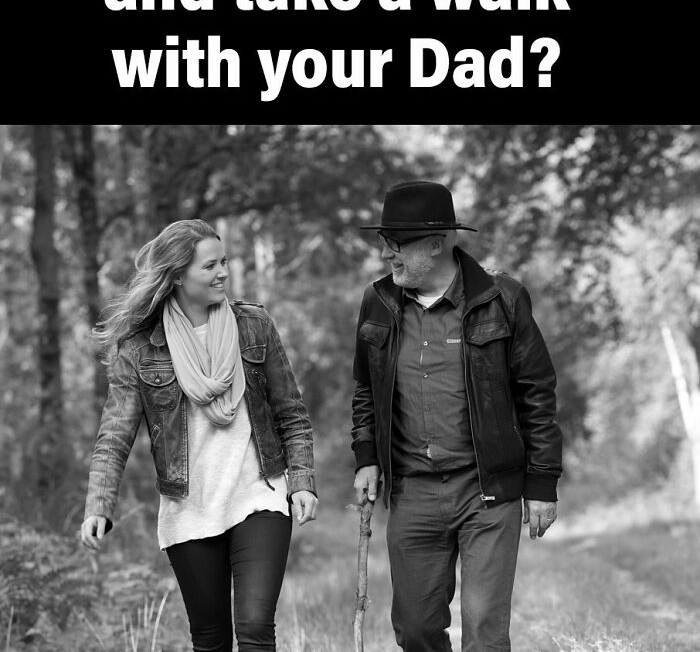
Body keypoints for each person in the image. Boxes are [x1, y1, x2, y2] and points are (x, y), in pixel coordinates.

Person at [81, 219, 317, 652]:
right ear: (177, 276)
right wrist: (99, 504)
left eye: (224, 261)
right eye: (210, 266)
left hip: (258, 494)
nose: (223, 272)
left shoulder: (253, 326)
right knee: (209, 639)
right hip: (190, 507)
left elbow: (292, 414)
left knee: (255, 628)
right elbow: (113, 437)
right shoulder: (139, 348)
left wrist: (301, 481)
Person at [352, 180, 562, 651]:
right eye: (386, 244)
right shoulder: (379, 302)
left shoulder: (502, 299)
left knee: (485, 629)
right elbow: (366, 388)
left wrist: (543, 482)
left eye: (398, 244)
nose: (390, 256)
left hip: (486, 489)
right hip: (412, 490)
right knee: (417, 629)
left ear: (437, 242)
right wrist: (366, 456)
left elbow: (536, 393)